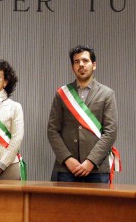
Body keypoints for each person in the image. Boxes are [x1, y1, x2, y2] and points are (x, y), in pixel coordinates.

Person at [47, 45, 118, 183]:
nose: (81, 65)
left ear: (94, 65)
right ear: (72, 67)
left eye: (85, 61)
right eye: (76, 61)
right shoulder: (62, 94)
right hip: (66, 168)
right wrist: (67, 159)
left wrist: (91, 161)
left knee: (96, 206)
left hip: (96, 168)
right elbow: (52, 131)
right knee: (63, 205)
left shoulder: (107, 94)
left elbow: (110, 132)